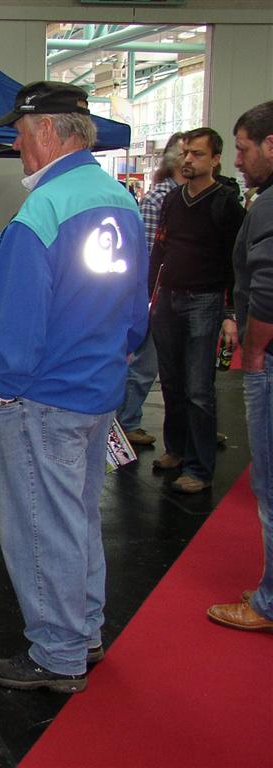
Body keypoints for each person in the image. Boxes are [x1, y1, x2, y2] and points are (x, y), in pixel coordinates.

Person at [0, 81, 149, 692]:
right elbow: (135, 315)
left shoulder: (40, 212)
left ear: (48, 129)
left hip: (42, 396)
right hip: (97, 391)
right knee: (75, 518)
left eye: (19, 130)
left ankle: (58, 652)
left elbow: (15, 329)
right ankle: (85, 631)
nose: (15, 143)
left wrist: (2, 392)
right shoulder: (118, 201)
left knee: (40, 525)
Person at [149, 127, 245, 493]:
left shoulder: (226, 204)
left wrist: (231, 313)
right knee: (171, 382)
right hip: (168, 299)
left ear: (216, 160)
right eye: (186, 153)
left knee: (198, 389)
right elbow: (160, 251)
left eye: (198, 154)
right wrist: (148, 297)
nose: (188, 160)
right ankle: (175, 448)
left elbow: (237, 263)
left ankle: (199, 468)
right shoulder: (173, 200)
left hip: (205, 301)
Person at [207, 100, 273, 632]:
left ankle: (269, 603)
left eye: (246, 149)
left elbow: (268, 285)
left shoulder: (268, 204)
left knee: (270, 484)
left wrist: (253, 350)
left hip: (269, 357)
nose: (240, 161)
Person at [117, 132, 186, 447]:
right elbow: (145, 253)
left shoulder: (188, 196)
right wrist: (144, 300)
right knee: (145, 363)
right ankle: (127, 421)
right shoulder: (159, 197)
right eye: (188, 154)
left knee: (172, 366)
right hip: (156, 295)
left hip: (177, 293)